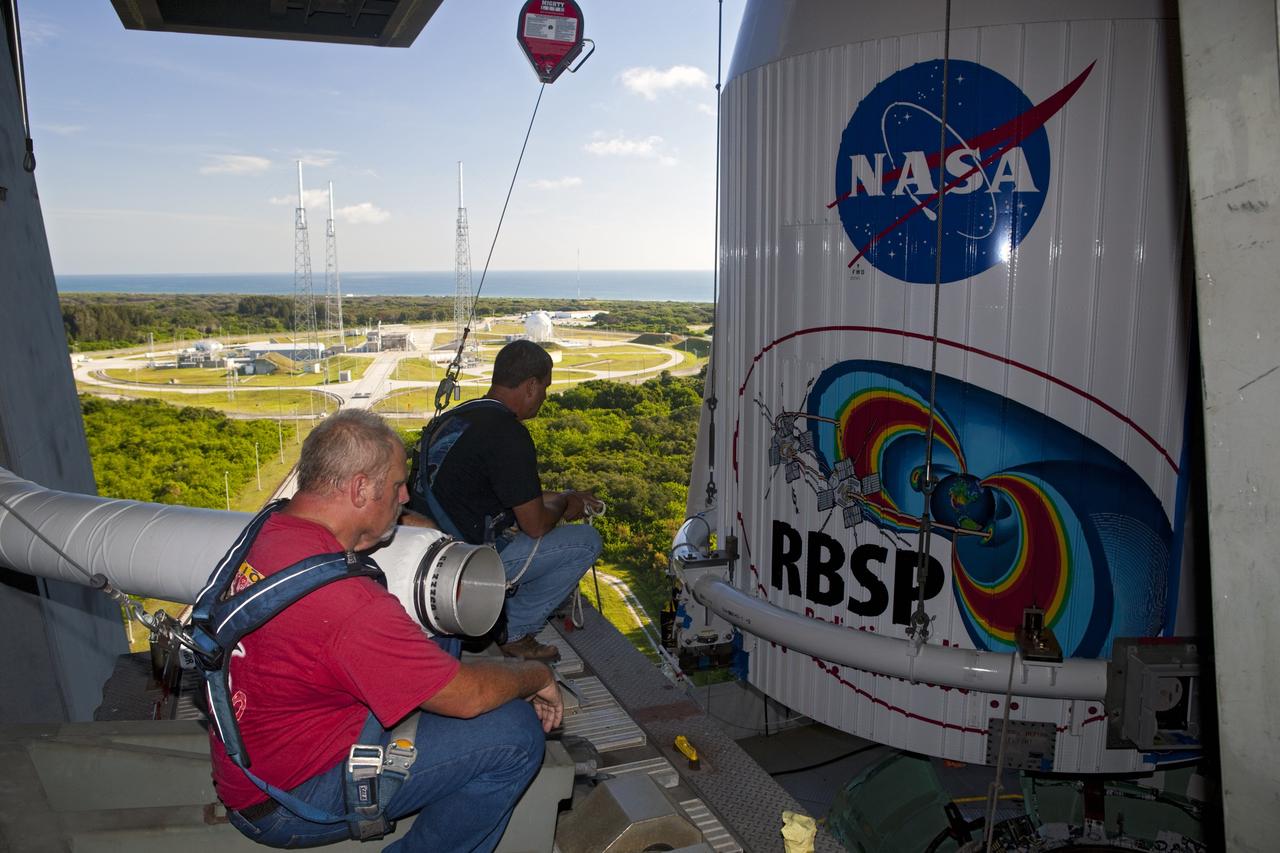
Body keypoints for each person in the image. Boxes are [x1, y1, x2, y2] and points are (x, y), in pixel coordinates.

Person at [209, 409, 562, 852]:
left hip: (256, 755)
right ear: (359, 488)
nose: (404, 495)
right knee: (514, 733)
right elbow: (469, 697)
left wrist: (394, 524)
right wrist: (535, 676)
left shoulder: (270, 528)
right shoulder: (349, 607)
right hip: (288, 802)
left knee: (440, 628)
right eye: (397, 485)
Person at [404, 340, 602, 663]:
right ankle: (516, 629)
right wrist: (567, 504)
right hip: (463, 566)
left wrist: (568, 496)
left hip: (426, 552)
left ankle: (501, 609)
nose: (544, 398)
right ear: (530, 386)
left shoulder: (460, 418)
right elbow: (535, 524)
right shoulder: (509, 435)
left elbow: (513, 494)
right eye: (544, 389)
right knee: (587, 542)